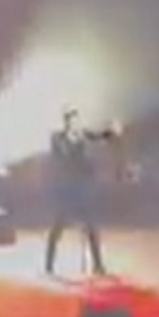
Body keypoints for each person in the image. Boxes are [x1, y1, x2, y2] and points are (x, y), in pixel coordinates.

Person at [46, 108, 120, 278]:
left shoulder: (83, 135)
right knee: (58, 228)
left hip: (81, 189)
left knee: (91, 228)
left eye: (78, 120)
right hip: (66, 190)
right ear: (67, 122)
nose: (77, 124)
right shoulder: (58, 138)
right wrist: (76, 142)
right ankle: (49, 265)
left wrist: (111, 132)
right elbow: (63, 157)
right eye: (74, 120)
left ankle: (98, 266)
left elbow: (99, 136)